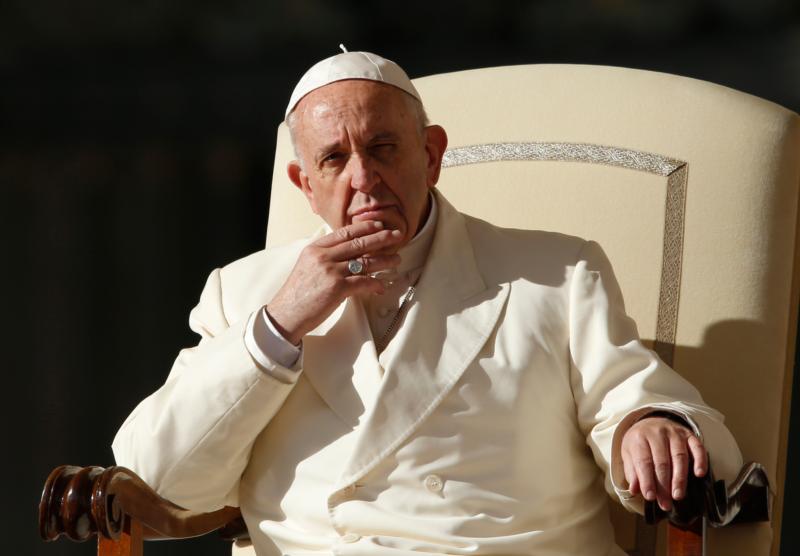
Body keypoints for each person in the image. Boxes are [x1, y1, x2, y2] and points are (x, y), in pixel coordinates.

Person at [113, 49, 742, 556]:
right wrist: (280, 326)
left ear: (432, 154)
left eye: (383, 148)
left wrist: (649, 426)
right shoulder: (245, 291)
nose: (363, 178)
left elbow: (628, 398)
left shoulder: (557, 272)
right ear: (305, 184)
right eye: (334, 159)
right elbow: (157, 482)